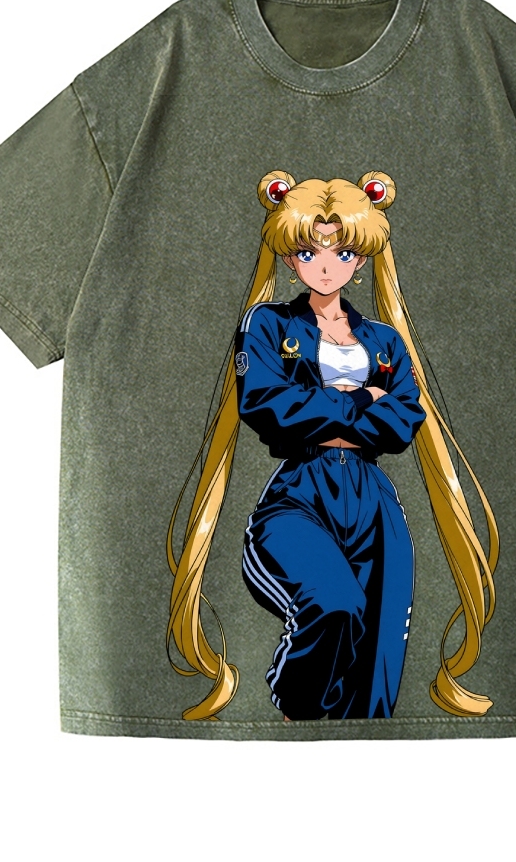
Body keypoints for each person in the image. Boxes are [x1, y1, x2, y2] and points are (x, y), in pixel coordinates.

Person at [167, 170, 498, 721]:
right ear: (289, 256)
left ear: (361, 259)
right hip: (299, 494)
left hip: (375, 502)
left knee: (379, 654)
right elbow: (267, 406)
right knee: (334, 604)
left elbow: (404, 420)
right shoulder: (267, 324)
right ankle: (295, 712)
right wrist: (362, 399)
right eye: (308, 250)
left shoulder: (385, 340)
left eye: (342, 252)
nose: (325, 266)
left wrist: (327, 406)